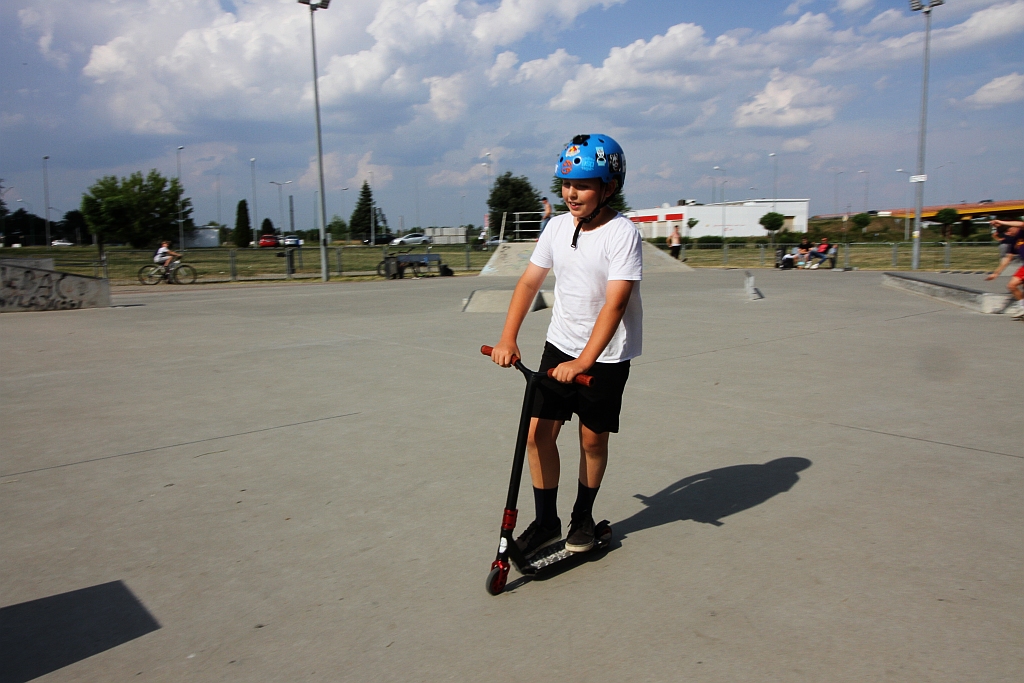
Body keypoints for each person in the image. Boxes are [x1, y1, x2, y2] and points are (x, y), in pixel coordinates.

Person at [490, 134, 642, 556]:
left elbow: (616, 303)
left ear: (608, 188)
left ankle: (582, 517)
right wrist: (508, 336)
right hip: (559, 346)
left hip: (605, 356)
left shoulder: (622, 233)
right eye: (566, 184)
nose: (571, 193)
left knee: (592, 441)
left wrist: (584, 362)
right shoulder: (556, 227)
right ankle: (546, 522)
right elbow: (529, 283)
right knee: (537, 434)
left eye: (583, 185)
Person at [985, 220, 1024, 318]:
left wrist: (1001, 222)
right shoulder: (1014, 240)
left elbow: (1021, 224)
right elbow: (1008, 258)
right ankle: (1022, 307)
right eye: (1005, 232)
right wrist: (996, 273)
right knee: (1011, 286)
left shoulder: (1022, 232)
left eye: (1009, 231)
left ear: (1015, 228)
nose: (1008, 234)